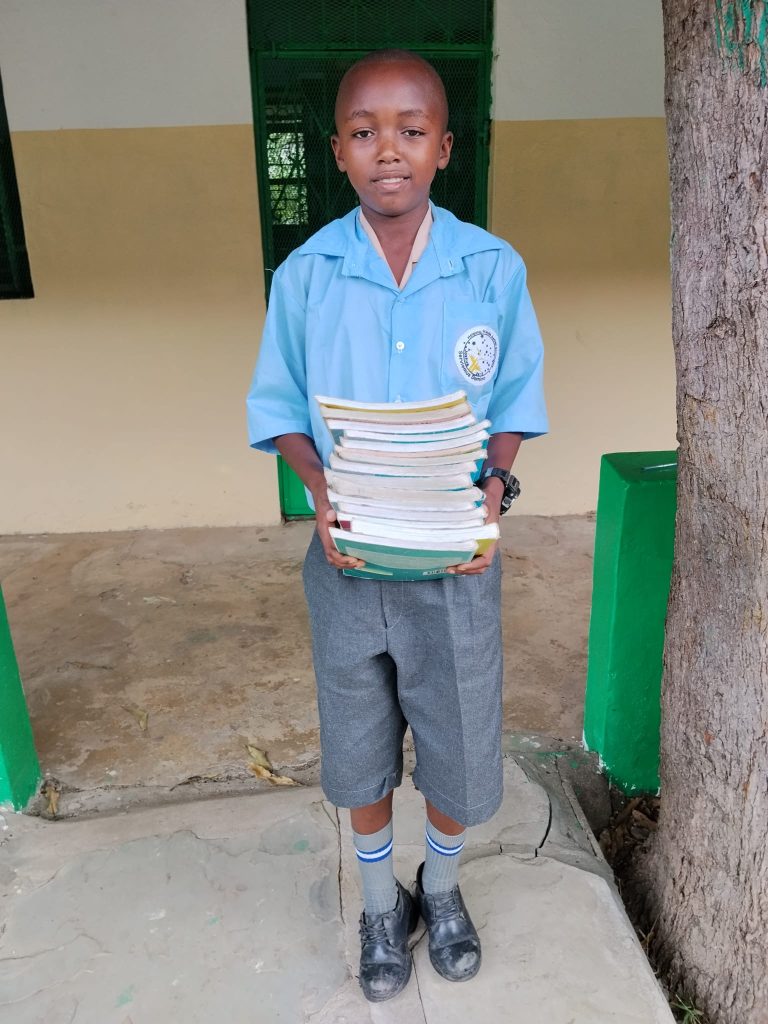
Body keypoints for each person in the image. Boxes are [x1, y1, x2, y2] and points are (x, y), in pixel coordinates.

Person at [247, 49, 548, 1002]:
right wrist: (316, 488)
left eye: (411, 131)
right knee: (358, 747)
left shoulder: (491, 270)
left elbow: (514, 399)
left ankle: (442, 886)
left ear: (443, 148)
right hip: (348, 562)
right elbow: (280, 407)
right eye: (365, 132)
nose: (389, 150)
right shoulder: (306, 276)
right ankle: (383, 903)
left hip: (454, 565)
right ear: (336, 150)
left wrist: (494, 486)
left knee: (458, 747)